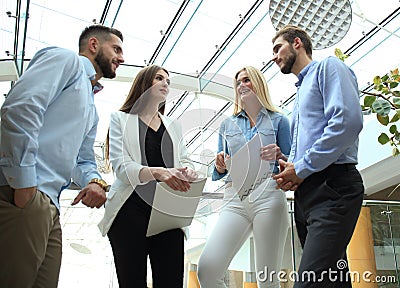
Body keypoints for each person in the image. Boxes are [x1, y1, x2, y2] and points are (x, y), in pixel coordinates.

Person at [0, 25, 124, 287]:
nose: (121, 58)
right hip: (23, 194)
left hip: (49, 206)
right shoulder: (66, 61)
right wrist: (24, 185)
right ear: (93, 45)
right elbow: (21, 108)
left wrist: (94, 180)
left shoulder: (92, 107)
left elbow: (84, 159)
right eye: (116, 49)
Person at [271, 25, 364, 288]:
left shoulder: (329, 67)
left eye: (278, 48)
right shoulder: (297, 97)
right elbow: (305, 149)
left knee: (309, 282)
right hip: (307, 196)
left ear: (297, 43)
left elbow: (347, 121)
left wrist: (301, 168)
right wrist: (290, 168)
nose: (274, 56)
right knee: (332, 282)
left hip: (333, 188)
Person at [98, 65, 198, 288]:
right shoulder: (120, 119)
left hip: (168, 212)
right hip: (129, 210)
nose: (166, 84)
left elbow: (186, 160)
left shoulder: (173, 125)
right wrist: (158, 172)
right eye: (159, 78)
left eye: (168, 81)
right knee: (132, 282)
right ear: (144, 84)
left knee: (171, 281)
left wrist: (188, 171)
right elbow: (122, 167)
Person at [197, 66, 291, 288]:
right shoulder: (227, 124)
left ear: (258, 84)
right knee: (207, 270)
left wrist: (279, 155)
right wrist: (220, 164)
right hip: (234, 198)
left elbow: (291, 165)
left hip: (268, 194)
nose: (241, 85)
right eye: (238, 82)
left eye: (247, 80)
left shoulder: (279, 120)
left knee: (267, 279)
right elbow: (220, 168)